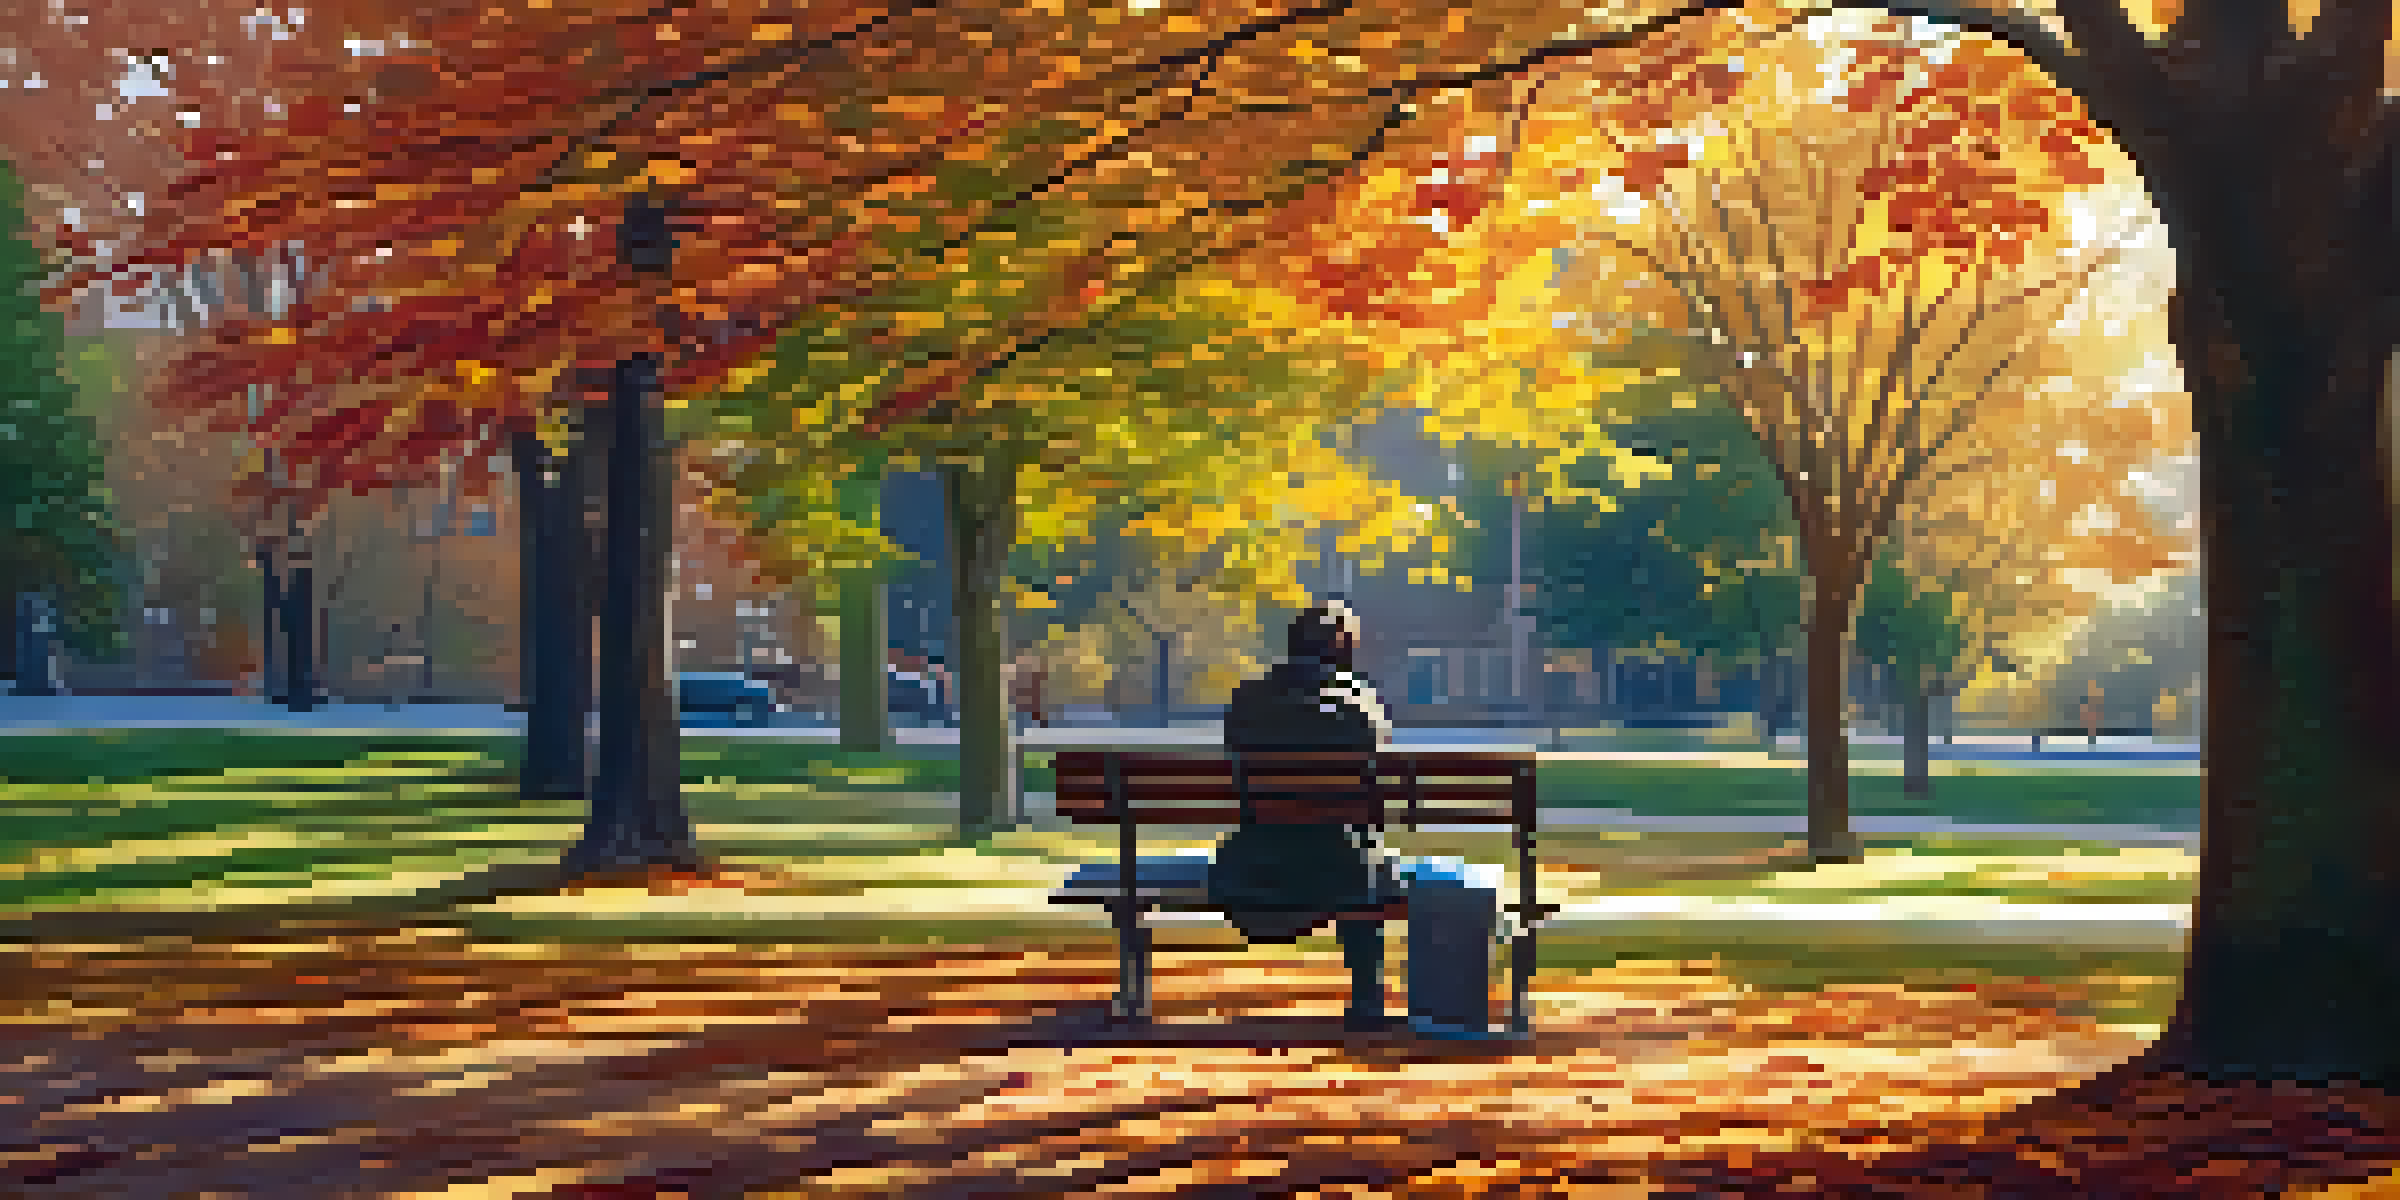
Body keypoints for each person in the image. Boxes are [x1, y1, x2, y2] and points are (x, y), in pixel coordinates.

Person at [1209, 600, 1406, 1031]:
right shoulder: (1359, 706)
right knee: (1364, 864)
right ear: (1343, 653)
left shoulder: (1247, 700)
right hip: (1341, 863)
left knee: (1358, 861)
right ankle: (1366, 1000)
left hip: (1256, 858)